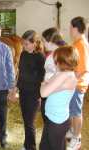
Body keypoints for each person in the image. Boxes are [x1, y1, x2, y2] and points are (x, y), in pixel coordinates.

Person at [39, 46, 78, 150]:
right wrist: (50, 84)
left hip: (56, 122)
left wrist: (43, 84)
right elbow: (51, 84)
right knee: (46, 146)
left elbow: (43, 93)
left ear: (62, 61)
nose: (54, 60)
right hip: (55, 119)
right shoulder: (65, 73)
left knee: (52, 147)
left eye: (55, 58)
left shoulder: (64, 75)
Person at [17, 30, 45, 150]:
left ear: (35, 43)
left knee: (30, 122)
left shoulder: (40, 57)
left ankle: (31, 147)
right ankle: (27, 144)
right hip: (23, 91)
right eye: (23, 44)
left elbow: (42, 77)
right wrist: (16, 88)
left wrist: (40, 95)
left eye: (27, 44)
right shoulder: (23, 54)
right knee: (26, 120)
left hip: (34, 94)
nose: (24, 46)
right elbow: (21, 73)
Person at [67, 16, 89, 150]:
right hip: (74, 83)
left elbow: (83, 68)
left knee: (76, 112)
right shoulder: (77, 43)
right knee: (72, 110)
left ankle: (77, 138)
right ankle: (72, 131)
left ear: (75, 28)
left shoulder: (81, 44)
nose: (69, 30)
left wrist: (70, 80)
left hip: (78, 84)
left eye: (70, 27)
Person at [41, 27, 67, 121]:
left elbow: (62, 78)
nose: (43, 44)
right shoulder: (53, 54)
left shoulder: (61, 55)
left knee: (51, 121)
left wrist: (45, 85)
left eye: (44, 41)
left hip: (54, 95)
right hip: (50, 93)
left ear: (51, 40)